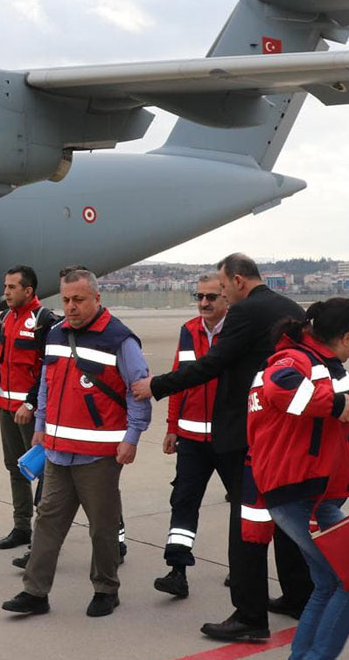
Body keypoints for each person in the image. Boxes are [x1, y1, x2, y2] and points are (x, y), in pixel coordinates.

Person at [133, 252, 312, 642]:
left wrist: (157, 386)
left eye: (224, 286)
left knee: (246, 524)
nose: (224, 296)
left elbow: (212, 364)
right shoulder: (290, 307)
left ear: (237, 280)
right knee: (283, 516)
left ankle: (249, 616)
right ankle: (299, 596)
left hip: (245, 431)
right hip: (284, 431)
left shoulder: (245, 312)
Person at [1, 268, 150, 618]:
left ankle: (105, 588)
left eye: (79, 300)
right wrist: (40, 424)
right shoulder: (55, 334)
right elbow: (46, 385)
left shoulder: (120, 340)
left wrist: (132, 438)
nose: (71, 307)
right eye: (66, 300)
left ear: (97, 298)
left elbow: (139, 393)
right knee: (48, 521)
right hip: (56, 450)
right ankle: (35, 592)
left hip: (99, 455)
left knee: (103, 526)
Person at [244, 298, 349, 660]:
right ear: (347, 337)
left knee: (328, 582)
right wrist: (335, 404)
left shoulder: (322, 363)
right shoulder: (295, 360)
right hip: (300, 494)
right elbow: (280, 386)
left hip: (313, 493)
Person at [154, 274, 230, 599]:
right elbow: (178, 380)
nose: (203, 303)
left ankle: (242, 567)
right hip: (191, 439)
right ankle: (177, 570)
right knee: (183, 503)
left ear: (226, 298)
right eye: (199, 296)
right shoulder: (189, 330)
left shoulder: (239, 332)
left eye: (211, 297)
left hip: (231, 440)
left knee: (245, 506)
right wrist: (172, 427)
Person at [0, 265, 57, 564]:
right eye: (6, 286)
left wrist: (31, 403)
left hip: (32, 411)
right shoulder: (3, 319)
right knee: (15, 467)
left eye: (13, 287)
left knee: (41, 472)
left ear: (29, 290)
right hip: (6, 406)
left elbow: (47, 367)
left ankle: (43, 538)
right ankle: (21, 526)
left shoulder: (44, 322)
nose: (7, 292)